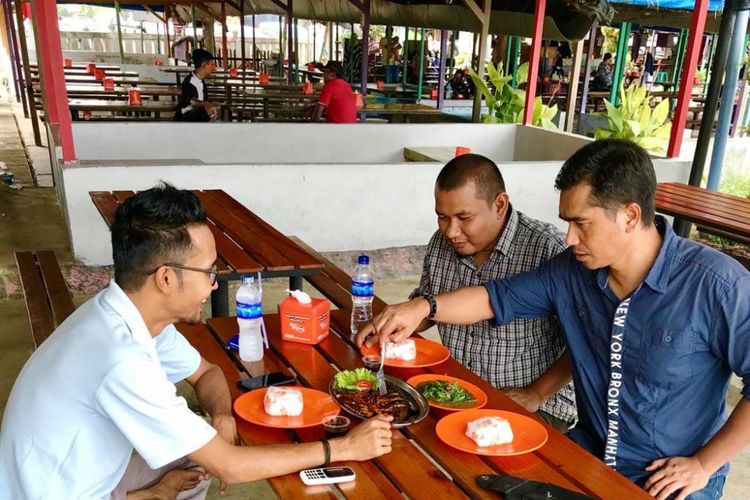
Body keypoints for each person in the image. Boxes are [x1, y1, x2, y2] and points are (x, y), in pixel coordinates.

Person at [357, 139, 750, 499]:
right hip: (587, 457)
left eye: (581, 223)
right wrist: (424, 307)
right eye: (567, 222)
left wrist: (704, 464)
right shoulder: (571, 272)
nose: (569, 238)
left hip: (673, 483)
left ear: (630, 216)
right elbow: (496, 298)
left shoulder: (717, 285)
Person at [0, 184, 393, 499]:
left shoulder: (130, 315)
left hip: (76, 471)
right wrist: (342, 449)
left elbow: (207, 372)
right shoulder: (120, 357)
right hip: (52, 490)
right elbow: (232, 467)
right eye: (208, 271)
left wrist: (220, 418)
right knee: (209, 462)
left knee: (195, 467)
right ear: (166, 278)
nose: (214, 283)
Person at [407, 154, 576, 433]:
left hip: (534, 403)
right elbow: (428, 303)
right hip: (461, 394)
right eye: (442, 217)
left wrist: (536, 393)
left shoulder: (547, 249)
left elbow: (581, 344)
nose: (451, 231)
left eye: (464, 217)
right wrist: (399, 320)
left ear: (500, 205)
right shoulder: (441, 244)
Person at [174, 48, 218, 122]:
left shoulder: (201, 79)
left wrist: (209, 104)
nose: (214, 68)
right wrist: (205, 103)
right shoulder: (189, 81)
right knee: (205, 111)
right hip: (185, 117)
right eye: (211, 64)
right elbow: (191, 101)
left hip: (197, 114)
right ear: (204, 65)